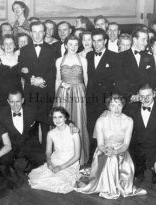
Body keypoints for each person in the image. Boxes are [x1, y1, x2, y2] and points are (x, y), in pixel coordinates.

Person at [76, 94, 147, 199]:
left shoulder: (128, 121)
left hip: (121, 150)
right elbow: (100, 145)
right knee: (111, 159)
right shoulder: (101, 121)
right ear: (108, 106)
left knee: (115, 158)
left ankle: (121, 185)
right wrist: (108, 151)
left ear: (123, 105)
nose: (116, 108)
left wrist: (116, 151)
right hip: (103, 150)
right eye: (113, 105)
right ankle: (109, 188)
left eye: (119, 105)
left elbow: (126, 145)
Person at [18, 21, 56, 148]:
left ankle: (47, 154)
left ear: (44, 33)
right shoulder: (24, 50)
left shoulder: (52, 49)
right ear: (30, 33)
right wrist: (31, 79)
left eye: (40, 32)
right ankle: (34, 156)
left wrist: (42, 80)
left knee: (46, 125)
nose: (38, 35)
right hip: (30, 93)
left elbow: (53, 70)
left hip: (46, 92)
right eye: (34, 32)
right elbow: (22, 69)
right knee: (31, 124)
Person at [127, 84, 156, 184]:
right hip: (138, 149)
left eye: (148, 95)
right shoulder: (131, 108)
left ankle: (155, 172)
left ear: (154, 94)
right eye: (142, 96)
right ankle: (139, 171)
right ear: (138, 97)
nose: (145, 99)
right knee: (131, 172)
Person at [54, 35, 89, 165]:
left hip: (79, 93)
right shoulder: (59, 60)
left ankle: (80, 159)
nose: (73, 47)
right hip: (63, 93)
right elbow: (58, 80)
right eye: (71, 44)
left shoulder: (83, 60)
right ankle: (63, 157)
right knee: (63, 122)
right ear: (66, 45)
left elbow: (86, 79)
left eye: (76, 44)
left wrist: (86, 96)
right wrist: (56, 98)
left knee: (79, 122)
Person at [28, 107, 80, 193]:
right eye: (55, 117)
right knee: (38, 178)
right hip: (55, 160)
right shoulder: (51, 134)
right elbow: (48, 152)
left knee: (60, 183)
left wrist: (60, 167)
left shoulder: (74, 133)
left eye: (60, 117)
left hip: (69, 163)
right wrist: (49, 162)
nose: (57, 120)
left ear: (65, 118)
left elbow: (77, 156)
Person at [86, 28, 119, 161]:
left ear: (105, 41)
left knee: (105, 130)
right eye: (94, 41)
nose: (96, 44)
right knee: (91, 128)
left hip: (106, 100)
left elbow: (116, 81)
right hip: (90, 99)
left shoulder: (114, 56)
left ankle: (104, 159)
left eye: (99, 41)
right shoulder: (88, 56)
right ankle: (91, 158)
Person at [0, 90, 46, 175]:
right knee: (3, 162)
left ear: (22, 100)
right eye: (12, 102)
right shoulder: (1, 113)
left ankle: (26, 171)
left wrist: (69, 123)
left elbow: (46, 118)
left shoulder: (31, 111)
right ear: (8, 101)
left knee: (41, 159)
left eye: (18, 102)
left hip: (28, 145)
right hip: (11, 146)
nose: (15, 105)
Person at [117, 29, 156, 99]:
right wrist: (131, 96)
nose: (146, 43)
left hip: (145, 98)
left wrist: (146, 96)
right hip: (127, 99)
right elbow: (119, 81)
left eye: (147, 40)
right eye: (143, 40)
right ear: (135, 40)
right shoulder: (120, 57)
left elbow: (153, 81)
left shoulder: (150, 57)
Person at [0, 35, 22, 106]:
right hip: (3, 94)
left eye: (11, 43)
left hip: (18, 94)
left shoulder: (21, 59)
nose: (8, 46)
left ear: (15, 45)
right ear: (2, 46)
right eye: (6, 44)